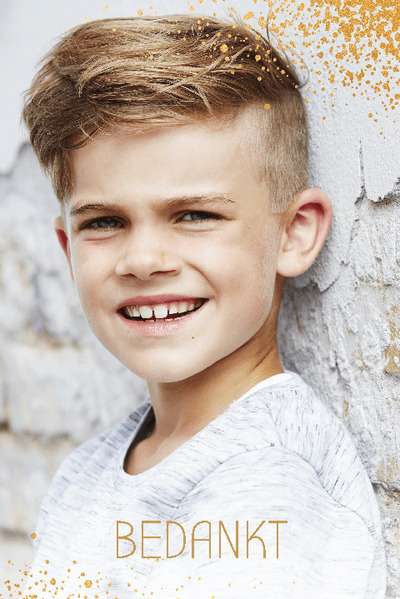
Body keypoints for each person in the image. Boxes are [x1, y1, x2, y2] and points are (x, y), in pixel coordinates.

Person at [21, 13, 386, 599]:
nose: (143, 260)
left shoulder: (271, 486)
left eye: (194, 215)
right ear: (68, 249)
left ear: (294, 233)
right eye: (105, 222)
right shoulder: (86, 471)